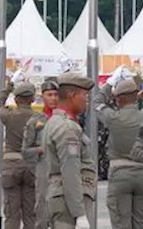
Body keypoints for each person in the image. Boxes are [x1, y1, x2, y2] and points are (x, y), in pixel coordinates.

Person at [95, 74, 143, 229]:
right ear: (136, 96)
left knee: (121, 222)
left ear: (118, 98)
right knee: (140, 222)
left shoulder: (114, 117)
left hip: (119, 173)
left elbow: (96, 102)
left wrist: (110, 82)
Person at [44, 73, 98, 228]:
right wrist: (79, 214)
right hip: (69, 202)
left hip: (62, 197)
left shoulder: (55, 121)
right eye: (84, 95)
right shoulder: (67, 128)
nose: (86, 101)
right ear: (72, 95)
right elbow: (70, 171)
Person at [2, 80, 40, 229]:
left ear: (16, 99)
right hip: (31, 165)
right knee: (31, 213)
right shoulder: (38, 118)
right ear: (32, 99)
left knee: (11, 212)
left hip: (11, 164)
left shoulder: (8, 115)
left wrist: (8, 88)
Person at [21, 78, 58, 229]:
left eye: (56, 95)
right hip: (44, 168)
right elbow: (25, 150)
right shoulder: (35, 121)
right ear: (42, 97)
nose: (53, 98)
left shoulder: (65, 119)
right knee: (42, 210)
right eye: (49, 95)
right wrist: (40, 149)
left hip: (64, 168)